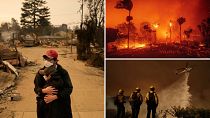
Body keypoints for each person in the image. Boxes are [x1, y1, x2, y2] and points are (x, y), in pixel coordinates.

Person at [34, 49, 73, 118]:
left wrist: (55, 97)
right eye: (45, 59)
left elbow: (69, 88)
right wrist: (43, 90)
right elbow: (36, 88)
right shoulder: (40, 73)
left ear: (55, 61)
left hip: (60, 107)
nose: (47, 61)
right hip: (45, 107)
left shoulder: (63, 72)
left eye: (50, 59)